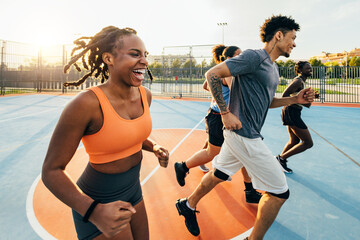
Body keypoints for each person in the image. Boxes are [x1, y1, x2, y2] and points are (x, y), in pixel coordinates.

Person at [175, 15, 315, 239]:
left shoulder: (273, 68)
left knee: (219, 172)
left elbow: (267, 102)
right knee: (279, 192)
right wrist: (225, 113)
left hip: (244, 134)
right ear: (278, 35)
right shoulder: (254, 57)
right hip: (244, 134)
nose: (294, 43)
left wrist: (294, 100)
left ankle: (187, 204)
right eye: (292, 37)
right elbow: (211, 75)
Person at [41, 26, 169, 240]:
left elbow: (128, 134)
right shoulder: (85, 104)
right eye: (135, 54)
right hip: (98, 200)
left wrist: (153, 147)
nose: (145, 61)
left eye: (145, 55)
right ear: (109, 58)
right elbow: (51, 171)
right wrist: (94, 211)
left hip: (133, 190)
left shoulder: (144, 95)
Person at [174, 44, 262, 204]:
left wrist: (220, 95)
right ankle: (183, 167)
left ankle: (249, 190)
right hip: (219, 117)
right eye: (238, 55)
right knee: (212, 153)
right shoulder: (229, 73)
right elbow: (237, 93)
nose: (241, 57)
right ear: (229, 58)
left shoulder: (226, 71)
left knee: (243, 153)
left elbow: (207, 86)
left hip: (226, 117)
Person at [276, 61, 318, 173]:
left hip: (292, 112)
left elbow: (296, 95)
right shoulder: (298, 81)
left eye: (310, 68)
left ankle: (280, 161)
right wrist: (302, 100)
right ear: (300, 70)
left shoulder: (301, 82)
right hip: (291, 112)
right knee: (308, 143)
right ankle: (280, 159)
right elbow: (284, 95)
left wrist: (310, 97)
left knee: (294, 140)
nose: (310, 70)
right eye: (307, 68)